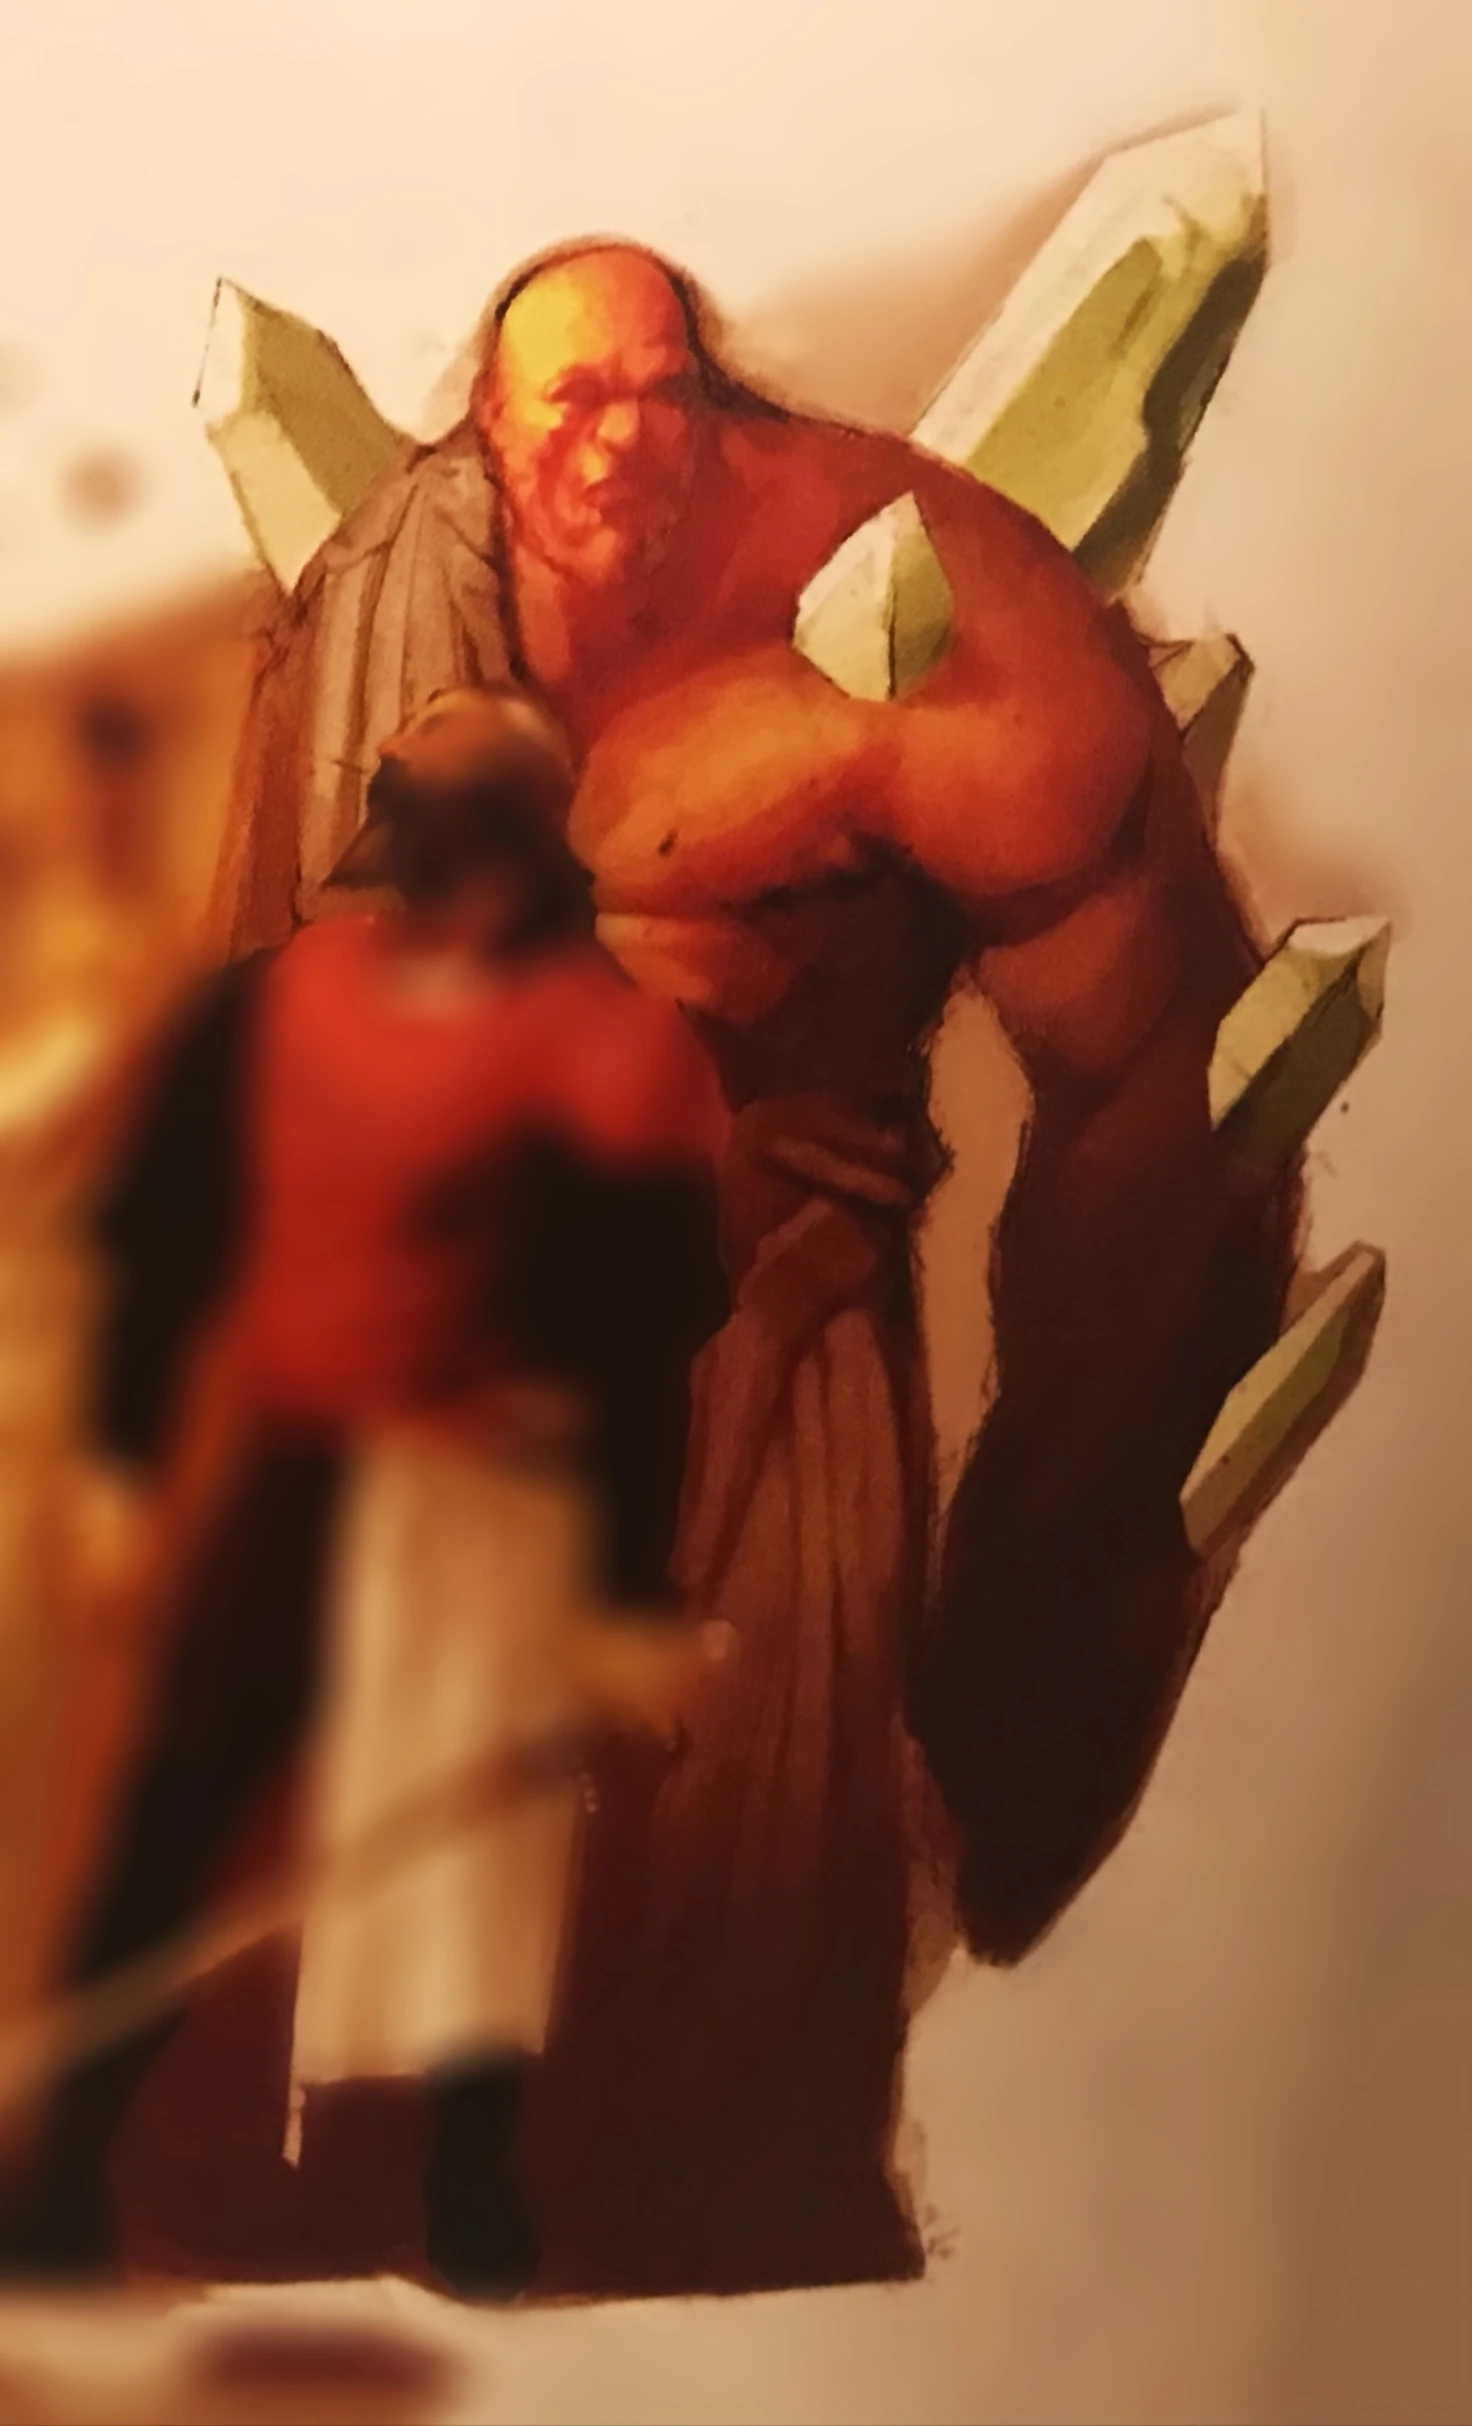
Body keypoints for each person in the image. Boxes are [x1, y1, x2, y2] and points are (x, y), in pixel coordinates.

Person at [202, 241, 1294, 2296]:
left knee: (702, 1858)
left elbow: (1153, 1061)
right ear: (489, 429)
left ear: (705, 400)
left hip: (775, 1350)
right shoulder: (399, 611)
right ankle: (375, 2158)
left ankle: (626, 2174)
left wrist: (1036, 1604)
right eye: (566, 404)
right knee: (413, 1812)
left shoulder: (954, 635)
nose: (615, 445)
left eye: (655, 393)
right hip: (459, 1359)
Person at [0, 682, 729, 2293]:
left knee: (478, 1854)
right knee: (179, 1800)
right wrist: (117, 1462)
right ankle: (53, 2171)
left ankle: (465, 2189)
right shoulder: (283, 1001)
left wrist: (621, 1589)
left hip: (489, 1498)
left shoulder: (606, 1049)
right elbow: (161, 1230)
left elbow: (640, 1339)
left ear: (515, 848)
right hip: (300, 1466)